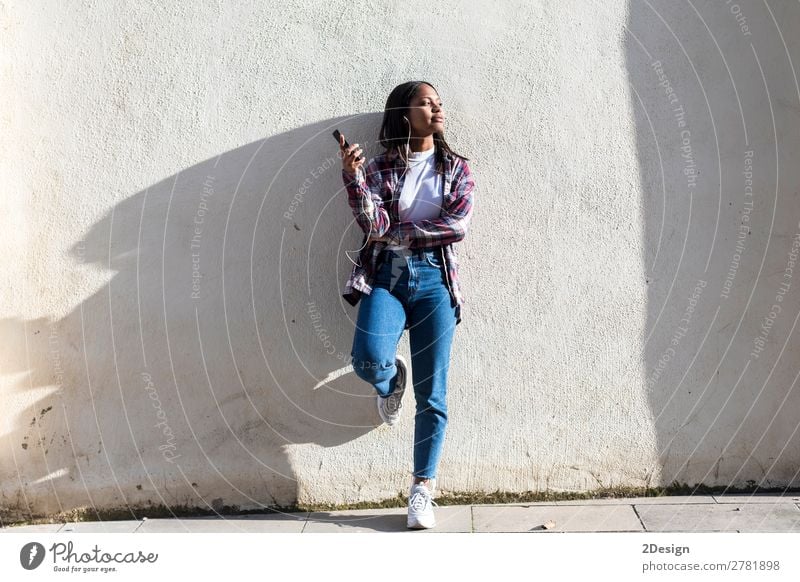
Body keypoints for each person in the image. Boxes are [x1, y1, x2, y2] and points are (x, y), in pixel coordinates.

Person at [337, 80, 475, 529]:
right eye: (427, 102)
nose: (437, 107)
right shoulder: (377, 167)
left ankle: (422, 490)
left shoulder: (456, 169)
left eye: (439, 101)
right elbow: (373, 223)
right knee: (368, 360)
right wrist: (354, 177)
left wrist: (398, 234)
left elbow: (456, 226)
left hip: (436, 277)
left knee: (432, 396)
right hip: (390, 275)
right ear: (404, 113)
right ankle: (390, 379)